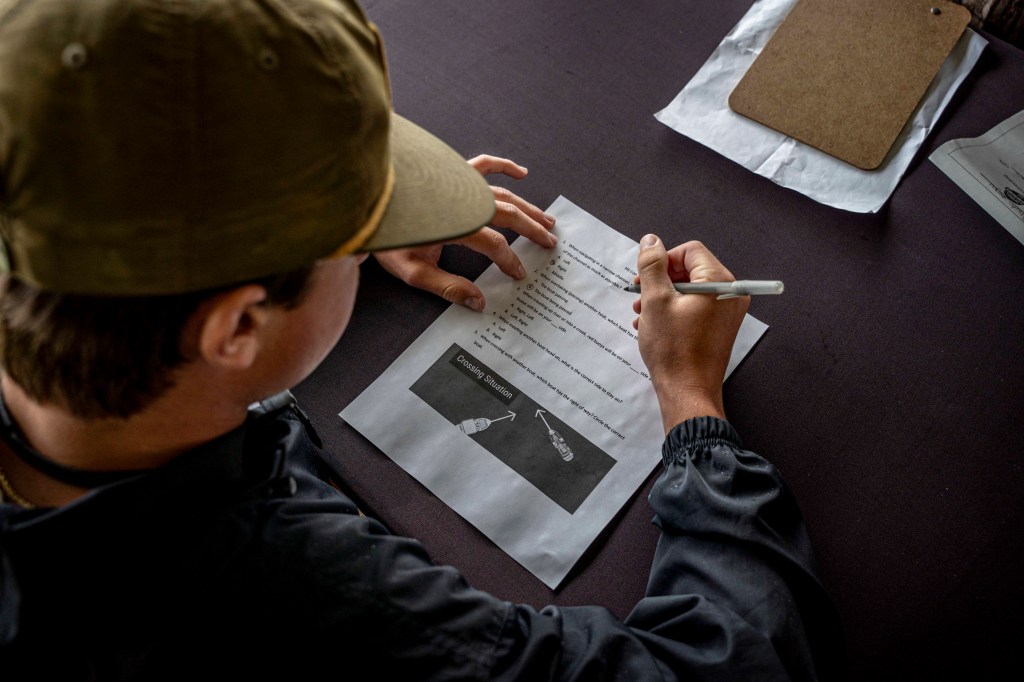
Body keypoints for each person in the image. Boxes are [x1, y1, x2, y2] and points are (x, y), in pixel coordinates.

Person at [0, 0, 844, 679]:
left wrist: (325, 249)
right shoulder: (312, 599)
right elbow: (732, 663)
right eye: (358, 231)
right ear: (238, 328)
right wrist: (693, 409)